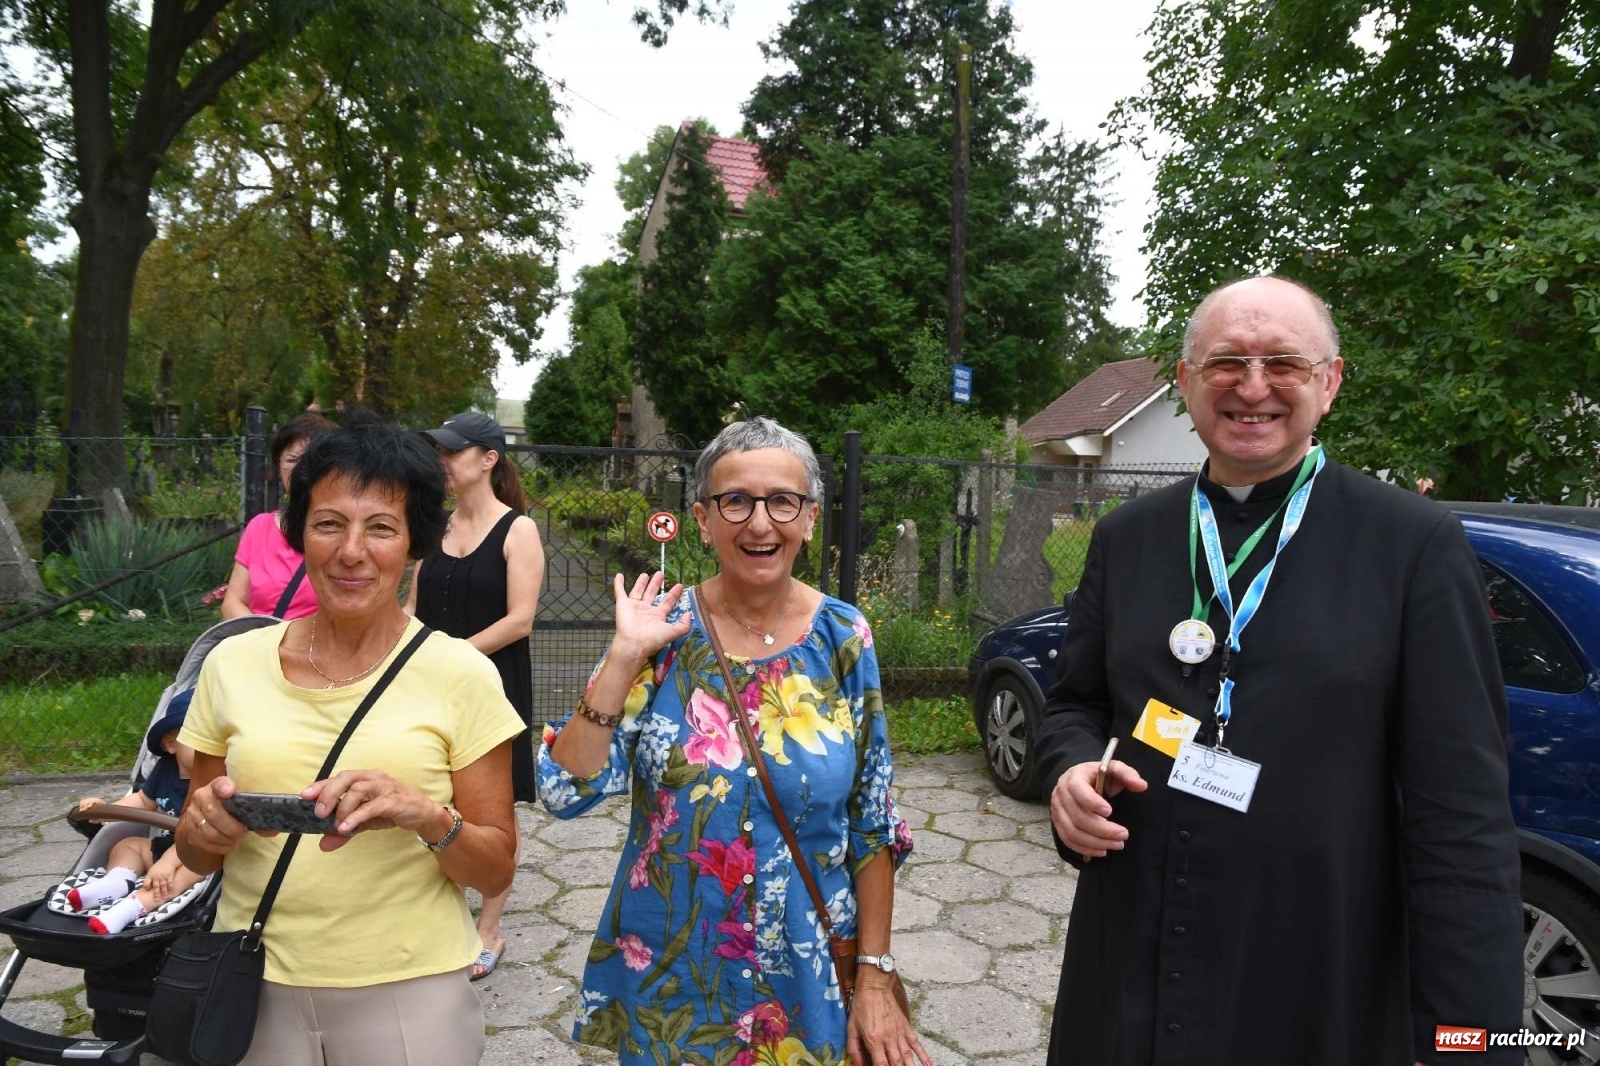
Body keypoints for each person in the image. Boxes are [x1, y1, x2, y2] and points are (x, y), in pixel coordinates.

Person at [1035, 276, 1523, 1066]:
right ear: (1187, 382)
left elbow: (1461, 819)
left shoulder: (1413, 546)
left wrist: (1473, 1042)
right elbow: (1074, 706)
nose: (1252, 385)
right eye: (1226, 360)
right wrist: (1066, 774)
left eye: (1284, 363)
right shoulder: (1129, 537)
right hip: (1130, 956)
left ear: (1328, 384)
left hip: (1314, 976)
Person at [538, 417, 927, 1066]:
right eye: (735, 501)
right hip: (676, 977)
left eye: (782, 501)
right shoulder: (662, 633)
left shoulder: (844, 638)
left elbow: (874, 820)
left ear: (809, 518)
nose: (759, 523)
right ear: (703, 518)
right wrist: (621, 659)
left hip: (806, 969)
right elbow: (562, 791)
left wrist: (877, 975)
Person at [175, 420, 524, 1066]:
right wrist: (202, 830)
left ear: (415, 544)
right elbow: (194, 854)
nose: (352, 552)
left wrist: (423, 814)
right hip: (254, 982)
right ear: (300, 532)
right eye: (329, 523)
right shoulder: (231, 665)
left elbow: (496, 865)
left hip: (410, 996)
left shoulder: (460, 675)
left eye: (381, 528)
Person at [406, 410, 545, 980]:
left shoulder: (519, 530)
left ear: (488, 459)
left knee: (492, 810)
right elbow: (412, 607)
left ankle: (489, 928)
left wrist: (454, 657)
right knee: (432, 793)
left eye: (453, 451)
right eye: (440, 450)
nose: (442, 460)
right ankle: (433, 907)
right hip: (428, 686)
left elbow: (520, 620)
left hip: (491, 688)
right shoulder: (433, 527)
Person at [69, 690, 207, 934]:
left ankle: (131, 909)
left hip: (198, 855)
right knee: (128, 844)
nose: (211, 746)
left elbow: (196, 833)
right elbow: (143, 801)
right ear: (171, 744)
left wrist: (166, 863)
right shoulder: (166, 769)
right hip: (164, 845)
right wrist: (106, 810)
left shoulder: (216, 780)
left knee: (189, 872)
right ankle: (115, 883)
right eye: (200, 737)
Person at [221, 412, 335, 620]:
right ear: (278, 463)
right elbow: (233, 602)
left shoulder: (343, 533)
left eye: (309, 460)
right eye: (291, 460)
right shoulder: (259, 528)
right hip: (259, 645)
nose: (299, 469)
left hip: (317, 649)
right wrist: (266, 643)